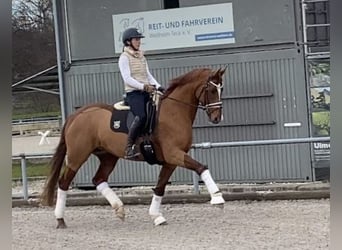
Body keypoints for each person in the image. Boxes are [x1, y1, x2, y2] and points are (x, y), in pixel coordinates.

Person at [118, 27, 165, 159]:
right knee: (142, 116)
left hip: (146, 91)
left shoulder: (141, 56)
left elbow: (148, 75)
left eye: (139, 39)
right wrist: (143, 87)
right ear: (128, 42)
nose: (139, 42)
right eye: (136, 39)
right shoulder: (124, 58)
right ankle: (128, 147)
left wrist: (159, 87)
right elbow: (127, 78)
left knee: (157, 112)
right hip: (134, 94)